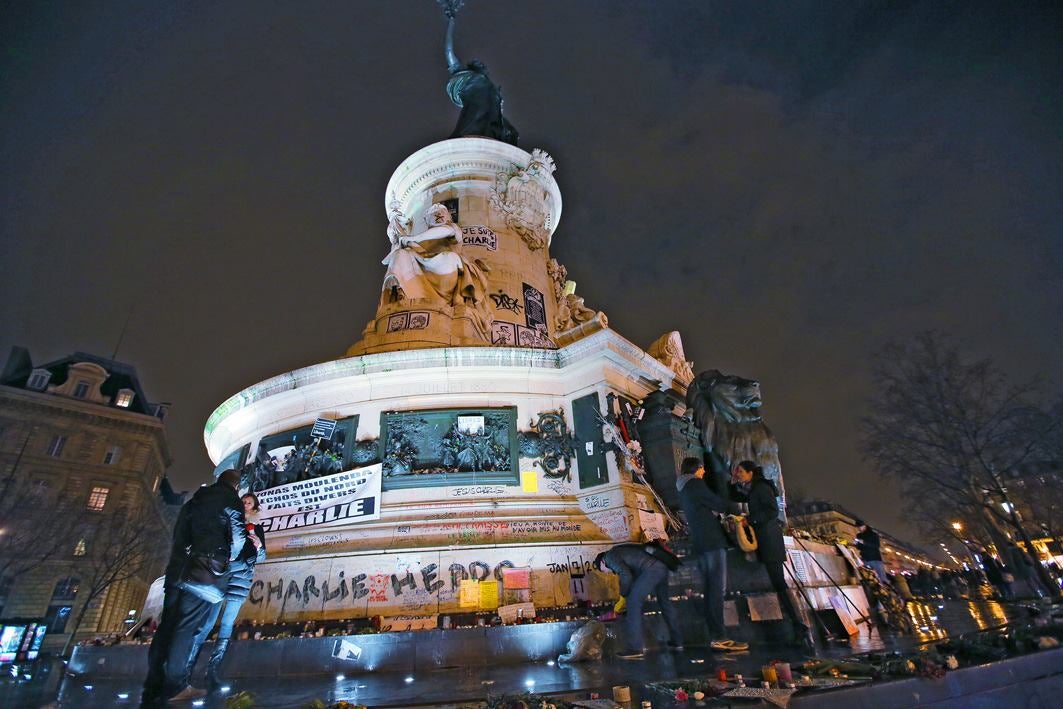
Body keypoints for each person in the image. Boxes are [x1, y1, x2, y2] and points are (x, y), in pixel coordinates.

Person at [141, 469, 249, 706]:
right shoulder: (230, 499)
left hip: (178, 568)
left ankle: (153, 685)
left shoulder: (196, 499)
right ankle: (176, 686)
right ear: (236, 486)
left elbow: (179, 534)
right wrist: (229, 557)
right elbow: (239, 537)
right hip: (203, 569)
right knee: (186, 627)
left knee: (167, 626)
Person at [188, 492, 266, 692]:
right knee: (207, 622)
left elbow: (262, 556)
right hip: (223, 574)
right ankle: (187, 670)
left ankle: (212, 672)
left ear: (254, 507)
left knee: (227, 623)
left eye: (250, 502)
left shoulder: (257, 528)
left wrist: (258, 546)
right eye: (244, 501)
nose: (246, 504)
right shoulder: (228, 521)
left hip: (241, 578)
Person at [729, 461, 812, 649]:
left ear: (751, 473)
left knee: (779, 582)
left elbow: (772, 511)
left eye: (741, 471)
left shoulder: (761, 488)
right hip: (766, 540)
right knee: (777, 582)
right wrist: (732, 481)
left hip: (770, 540)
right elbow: (734, 494)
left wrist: (749, 520)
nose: (738, 474)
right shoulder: (753, 487)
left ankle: (799, 625)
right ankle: (796, 624)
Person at [675, 457, 748, 652]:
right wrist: (736, 509)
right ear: (696, 469)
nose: (704, 472)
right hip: (712, 541)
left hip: (701, 543)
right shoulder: (695, 484)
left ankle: (715, 634)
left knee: (711, 589)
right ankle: (719, 636)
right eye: (702, 469)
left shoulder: (683, 488)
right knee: (717, 588)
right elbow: (718, 503)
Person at [381, 203, 490, 309]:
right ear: (426, 221)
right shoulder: (420, 243)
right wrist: (398, 240)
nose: (438, 215)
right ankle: (398, 291)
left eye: (442, 213)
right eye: (434, 214)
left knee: (450, 257)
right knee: (400, 254)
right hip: (423, 267)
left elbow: (444, 231)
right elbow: (409, 251)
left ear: (449, 217)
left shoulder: (452, 228)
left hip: (444, 268)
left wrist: (414, 238)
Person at [593, 542, 683, 659]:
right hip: (661, 566)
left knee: (633, 603)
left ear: (602, 562)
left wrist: (623, 596)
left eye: (603, 570)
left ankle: (635, 648)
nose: (607, 572)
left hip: (652, 569)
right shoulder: (622, 552)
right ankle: (677, 641)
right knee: (664, 603)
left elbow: (626, 575)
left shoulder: (609, 557)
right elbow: (633, 576)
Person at [853, 519, 889, 585]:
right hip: (865, 559)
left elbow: (876, 545)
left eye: (859, 527)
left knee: (882, 578)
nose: (858, 529)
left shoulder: (873, 534)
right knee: (870, 579)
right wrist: (856, 544)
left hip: (875, 559)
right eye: (857, 527)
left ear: (864, 526)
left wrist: (864, 542)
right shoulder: (859, 535)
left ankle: (888, 592)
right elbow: (859, 548)